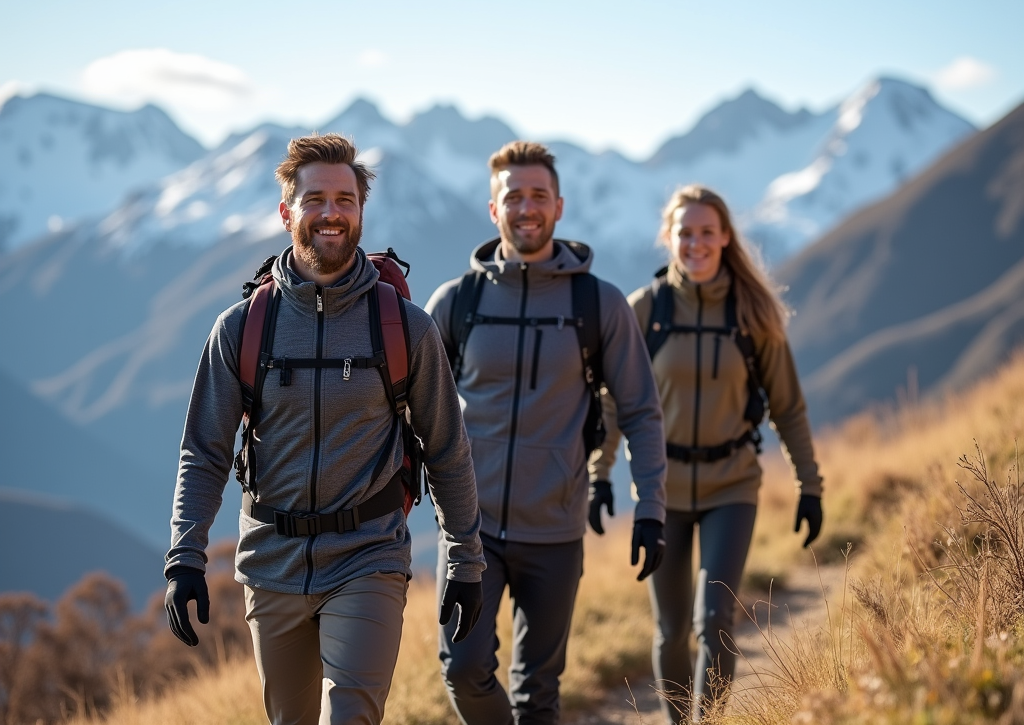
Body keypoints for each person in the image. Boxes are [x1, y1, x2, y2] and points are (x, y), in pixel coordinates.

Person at [163, 133, 486, 725]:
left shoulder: (404, 329)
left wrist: (464, 560)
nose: (331, 213)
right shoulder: (241, 328)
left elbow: (446, 448)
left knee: (351, 717)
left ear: (361, 212)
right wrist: (185, 556)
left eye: (345, 199)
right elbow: (205, 450)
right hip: (271, 563)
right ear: (287, 212)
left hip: (369, 556)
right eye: (315, 200)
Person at [425, 140, 667, 725]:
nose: (525, 207)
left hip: (556, 531)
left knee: (539, 694)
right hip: (469, 533)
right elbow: (416, 414)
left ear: (558, 206)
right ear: (493, 210)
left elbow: (639, 409)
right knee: (462, 669)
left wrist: (651, 507)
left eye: (538, 196)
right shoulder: (458, 303)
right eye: (513, 196)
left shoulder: (598, 303)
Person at [590, 184, 823, 722]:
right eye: (684, 233)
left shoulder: (753, 313)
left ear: (725, 238)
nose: (695, 243)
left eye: (706, 232)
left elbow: (788, 406)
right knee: (671, 631)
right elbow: (611, 403)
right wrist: (599, 474)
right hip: (661, 490)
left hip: (732, 488)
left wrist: (810, 485)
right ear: (668, 238)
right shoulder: (644, 310)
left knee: (714, 619)